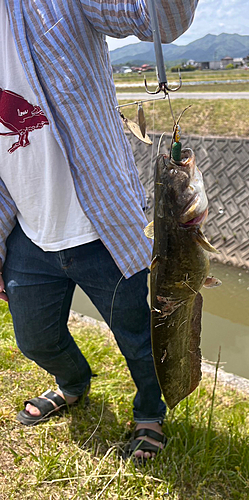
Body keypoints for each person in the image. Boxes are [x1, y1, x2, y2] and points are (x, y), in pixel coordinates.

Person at [0, 0, 198, 461]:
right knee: (34, 339)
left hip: (104, 227)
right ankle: (72, 382)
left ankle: (150, 412)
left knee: (139, 338)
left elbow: (160, 20)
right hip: (27, 232)